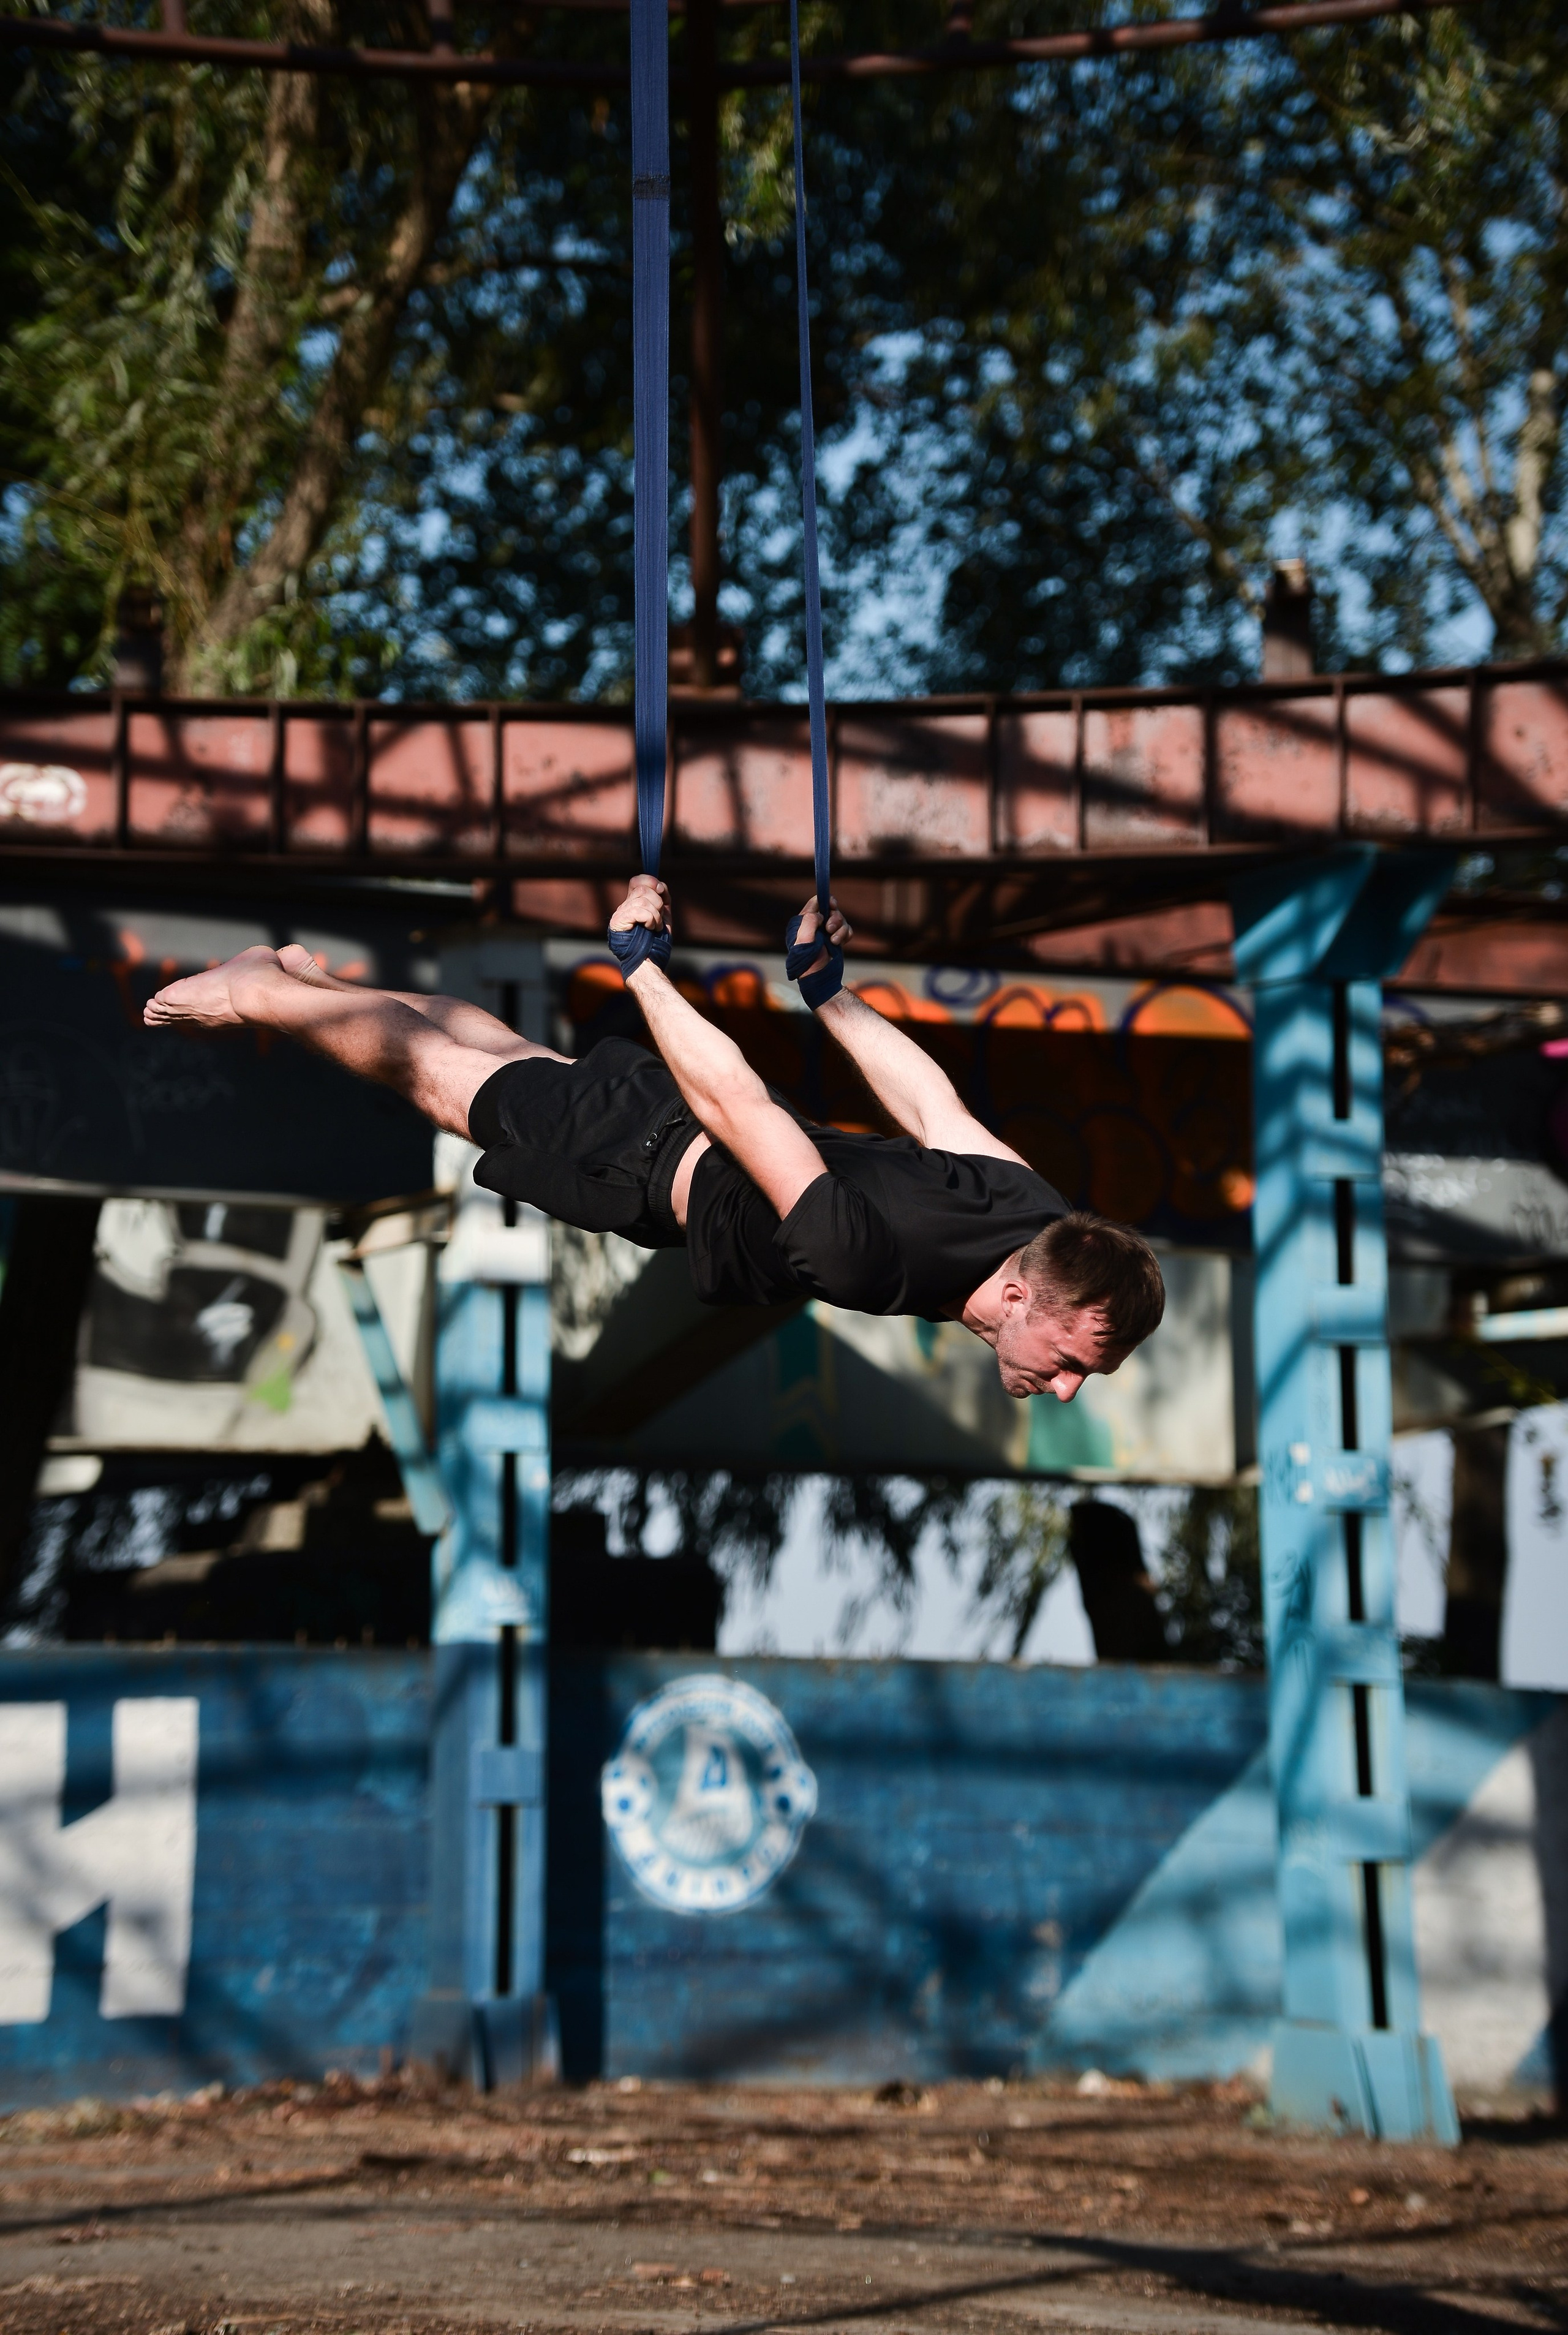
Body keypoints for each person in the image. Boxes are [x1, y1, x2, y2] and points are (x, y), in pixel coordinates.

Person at [144, 875, 1164, 1405]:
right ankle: (262, 994)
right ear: (1025, 1297)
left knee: (477, 1044)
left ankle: (302, 982)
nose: (1064, 1386)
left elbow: (934, 1105)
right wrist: (639, 968)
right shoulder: (864, 1264)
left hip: (653, 1130)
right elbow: (743, 1110)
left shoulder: (1037, 1213)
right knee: (431, 1075)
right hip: (633, 1154)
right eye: (1073, 1360)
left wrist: (828, 996)